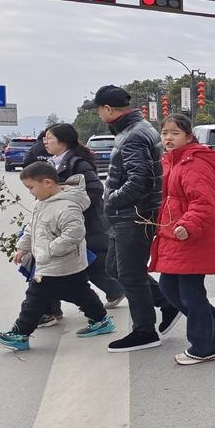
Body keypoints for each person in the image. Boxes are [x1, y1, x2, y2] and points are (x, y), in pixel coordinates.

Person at [87, 85, 179, 353]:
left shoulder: (133, 135)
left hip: (133, 215)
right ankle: (167, 302)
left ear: (107, 109)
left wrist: (112, 199)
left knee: (129, 273)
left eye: (98, 110)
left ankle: (144, 331)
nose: (99, 115)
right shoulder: (136, 129)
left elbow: (139, 181)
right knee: (116, 268)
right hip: (130, 214)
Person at [0, 162, 115, 351]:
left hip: (57, 263)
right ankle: (101, 319)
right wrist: (22, 248)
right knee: (80, 292)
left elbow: (73, 234)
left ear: (47, 182)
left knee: (35, 297)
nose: (30, 192)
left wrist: (48, 250)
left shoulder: (67, 206)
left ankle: (20, 333)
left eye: (31, 187)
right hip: (58, 264)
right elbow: (31, 229)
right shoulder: (41, 203)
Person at [149, 114, 215, 365]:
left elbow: (203, 201)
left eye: (175, 133)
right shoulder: (172, 161)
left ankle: (204, 347)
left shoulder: (195, 163)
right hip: (175, 235)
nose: (168, 138)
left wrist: (188, 225)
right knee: (169, 288)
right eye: (165, 133)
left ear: (188, 136)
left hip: (193, 235)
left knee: (190, 294)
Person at [36, 123, 124, 328]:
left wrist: (65, 203)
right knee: (79, 267)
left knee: (76, 267)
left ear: (63, 141)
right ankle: (51, 309)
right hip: (62, 225)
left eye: (49, 138)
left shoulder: (78, 164)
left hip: (83, 224)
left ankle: (51, 310)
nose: (45, 141)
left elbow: (95, 191)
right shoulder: (53, 163)